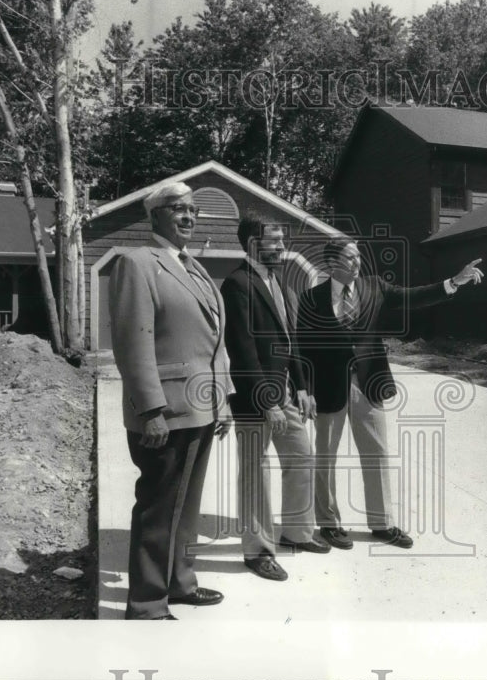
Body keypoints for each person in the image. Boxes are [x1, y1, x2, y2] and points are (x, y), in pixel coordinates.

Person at [296, 237, 483, 549]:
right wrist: (304, 389)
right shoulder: (311, 298)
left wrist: (453, 282)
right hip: (328, 387)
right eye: (348, 259)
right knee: (326, 456)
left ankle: (382, 523)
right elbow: (303, 348)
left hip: (368, 384)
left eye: (357, 258)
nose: (356, 264)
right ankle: (329, 523)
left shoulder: (374, 287)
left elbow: (413, 296)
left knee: (377, 453)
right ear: (331, 264)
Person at [108, 181, 235, 620]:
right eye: (178, 209)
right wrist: (151, 410)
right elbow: (131, 342)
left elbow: (213, 342)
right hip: (166, 411)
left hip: (201, 407)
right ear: (155, 216)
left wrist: (224, 399)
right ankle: (146, 603)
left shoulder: (192, 266)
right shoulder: (138, 262)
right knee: (159, 509)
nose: (188, 217)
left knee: (186, 509)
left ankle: (180, 583)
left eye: (193, 210)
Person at [220, 214, 329, 582]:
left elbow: (289, 338)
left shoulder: (276, 280)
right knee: (255, 472)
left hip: (284, 390)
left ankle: (297, 533)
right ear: (253, 244)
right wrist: (267, 400)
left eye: (283, 241)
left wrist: (301, 386)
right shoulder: (236, 284)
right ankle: (258, 551)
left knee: (302, 456)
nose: (283, 247)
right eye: (276, 241)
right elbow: (243, 348)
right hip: (255, 397)